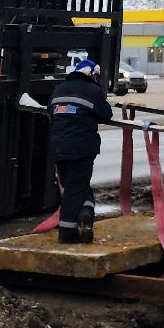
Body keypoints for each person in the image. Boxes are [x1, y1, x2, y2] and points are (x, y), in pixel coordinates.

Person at [48, 58, 112, 244]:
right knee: (74, 190)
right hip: (82, 149)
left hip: (59, 149)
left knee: (75, 186)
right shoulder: (94, 91)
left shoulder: (59, 89)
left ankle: (86, 211)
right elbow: (106, 115)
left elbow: (51, 110)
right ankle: (67, 233)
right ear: (92, 75)